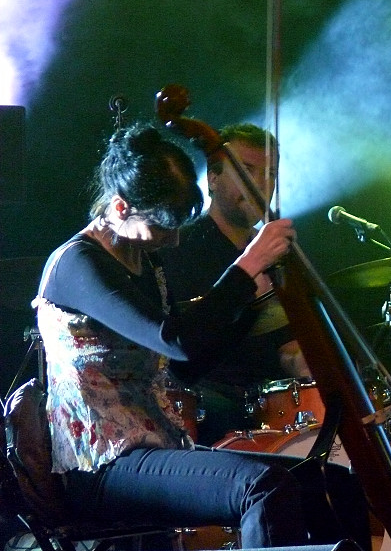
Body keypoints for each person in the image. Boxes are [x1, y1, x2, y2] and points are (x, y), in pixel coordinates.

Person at [32, 124, 308, 548]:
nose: (174, 238)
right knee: (262, 487)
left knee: (316, 478)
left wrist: (249, 304)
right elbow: (172, 338)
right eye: (164, 225)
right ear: (121, 207)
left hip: (152, 449)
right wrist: (245, 266)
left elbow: (185, 363)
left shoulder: (146, 260)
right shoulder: (79, 264)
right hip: (101, 465)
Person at [160, 123, 311, 446]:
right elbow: (180, 352)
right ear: (213, 179)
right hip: (210, 406)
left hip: (272, 409)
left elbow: (288, 347)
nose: (261, 183)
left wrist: (317, 368)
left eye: (271, 173)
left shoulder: (278, 255)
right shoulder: (179, 247)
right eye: (248, 171)